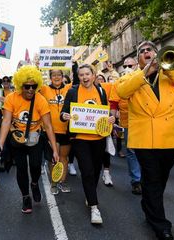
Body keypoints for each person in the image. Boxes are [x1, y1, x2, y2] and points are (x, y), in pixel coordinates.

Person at [117, 41, 174, 239]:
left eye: (149, 50)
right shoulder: (133, 76)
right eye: (142, 51)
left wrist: (170, 70)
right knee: (152, 179)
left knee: (161, 178)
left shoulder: (171, 74)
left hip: (169, 136)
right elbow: (122, 92)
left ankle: (148, 204)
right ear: (138, 59)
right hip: (144, 138)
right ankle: (161, 225)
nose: (146, 53)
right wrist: (144, 72)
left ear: (156, 53)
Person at [0, 65, 59, 214]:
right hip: (17, 139)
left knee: (35, 166)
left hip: (35, 138)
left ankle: (34, 183)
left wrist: (55, 149)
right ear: (20, 85)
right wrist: (0, 144)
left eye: (33, 86)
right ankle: (25, 197)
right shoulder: (11, 98)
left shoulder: (40, 100)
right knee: (21, 169)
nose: (30, 89)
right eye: (27, 86)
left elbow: (48, 126)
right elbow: (6, 121)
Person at [61, 64, 116, 224]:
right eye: (81, 75)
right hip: (80, 139)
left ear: (93, 75)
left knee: (96, 169)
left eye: (87, 74)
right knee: (87, 171)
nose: (85, 77)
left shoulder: (101, 91)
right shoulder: (73, 91)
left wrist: (111, 120)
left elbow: (105, 113)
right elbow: (63, 113)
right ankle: (94, 207)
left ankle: (89, 194)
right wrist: (65, 116)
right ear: (78, 77)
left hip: (98, 138)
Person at [110, 57, 142, 195]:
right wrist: (112, 119)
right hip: (127, 122)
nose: (128, 67)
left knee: (147, 152)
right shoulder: (118, 83)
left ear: (137, 65)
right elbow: (114, 103)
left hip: (145, 121)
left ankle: (149, 179)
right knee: (132, 151)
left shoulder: (144, 79)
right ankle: (136, 180)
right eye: (125, 65)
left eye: (131, 65)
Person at [40, 69, 72, 195]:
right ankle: (54, 182)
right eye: (53, 75)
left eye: (59, 75)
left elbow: (77, 77)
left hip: (66, 130)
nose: (57, 77)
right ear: (50, 77)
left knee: (64, 157)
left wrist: (73, 64)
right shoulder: (44, 89)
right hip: (50, 130)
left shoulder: (69, 88)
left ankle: (62, 182)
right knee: (53, 158)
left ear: (63, 76)